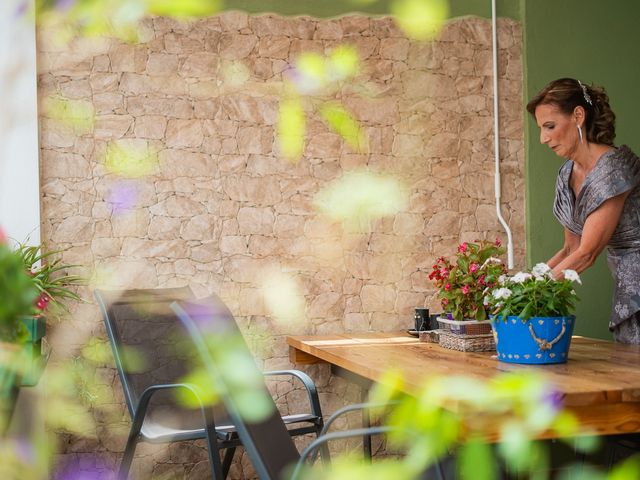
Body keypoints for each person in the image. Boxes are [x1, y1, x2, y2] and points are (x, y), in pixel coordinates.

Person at [527, 78, 640, 344]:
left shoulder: (614, 170)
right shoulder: (567, 173)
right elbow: (571, 248)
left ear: (578, 115)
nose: (543, 138)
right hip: (627, 283)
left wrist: (532, 296)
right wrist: (524, 284)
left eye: (550, 126)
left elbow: (586, 254)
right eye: (541, 129)